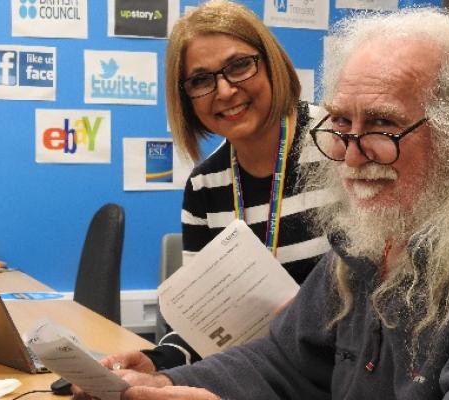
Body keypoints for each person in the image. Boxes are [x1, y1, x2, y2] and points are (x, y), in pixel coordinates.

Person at [76, 7, 449, 399]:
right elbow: (284, 360)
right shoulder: (365, 243)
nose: (351, 155)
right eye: (341, 124)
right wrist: (166, 381)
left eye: (381, 124)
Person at [136, 0, 332, 371]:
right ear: (186, 98)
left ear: (271, 62)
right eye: (200, 80)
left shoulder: (340, 146)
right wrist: (154, 363)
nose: (224, 91)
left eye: (239, 65)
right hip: (263, 379)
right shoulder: (205, 187)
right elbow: (205, 326)